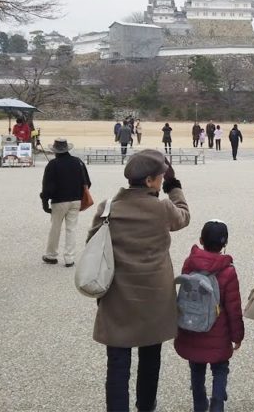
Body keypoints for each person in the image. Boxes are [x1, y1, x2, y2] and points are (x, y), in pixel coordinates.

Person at [89, 150, 190, 412]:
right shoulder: (162, 208)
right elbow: (183, 216)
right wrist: (175, 188)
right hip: (153, 296)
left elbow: (93, 244)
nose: (161, 181)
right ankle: (146, 406)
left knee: (118, 363)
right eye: (160, 178)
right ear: (149, 181)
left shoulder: (108, 208)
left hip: (117, 294)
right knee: (150, 358)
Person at [174, 221, 244, 412]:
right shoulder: (228, 270)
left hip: (191, 327)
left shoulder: (190, 263)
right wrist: (237, 336)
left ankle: (199, 405)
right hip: (218, 331)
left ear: (201, 240)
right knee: (220, 369)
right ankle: (217, 405)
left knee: (196, 370)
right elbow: (233, 308)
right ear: (225, 243)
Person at [40, 138, 91, 267]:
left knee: (55, 228)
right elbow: (87, 183)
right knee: (71, 229)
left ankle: (51, 255)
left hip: (59, 201)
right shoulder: (78, 162)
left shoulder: (53, 164)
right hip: (76, 200)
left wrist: (45, 202)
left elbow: (47, 187)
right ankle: (69, 258)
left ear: (55, 151)